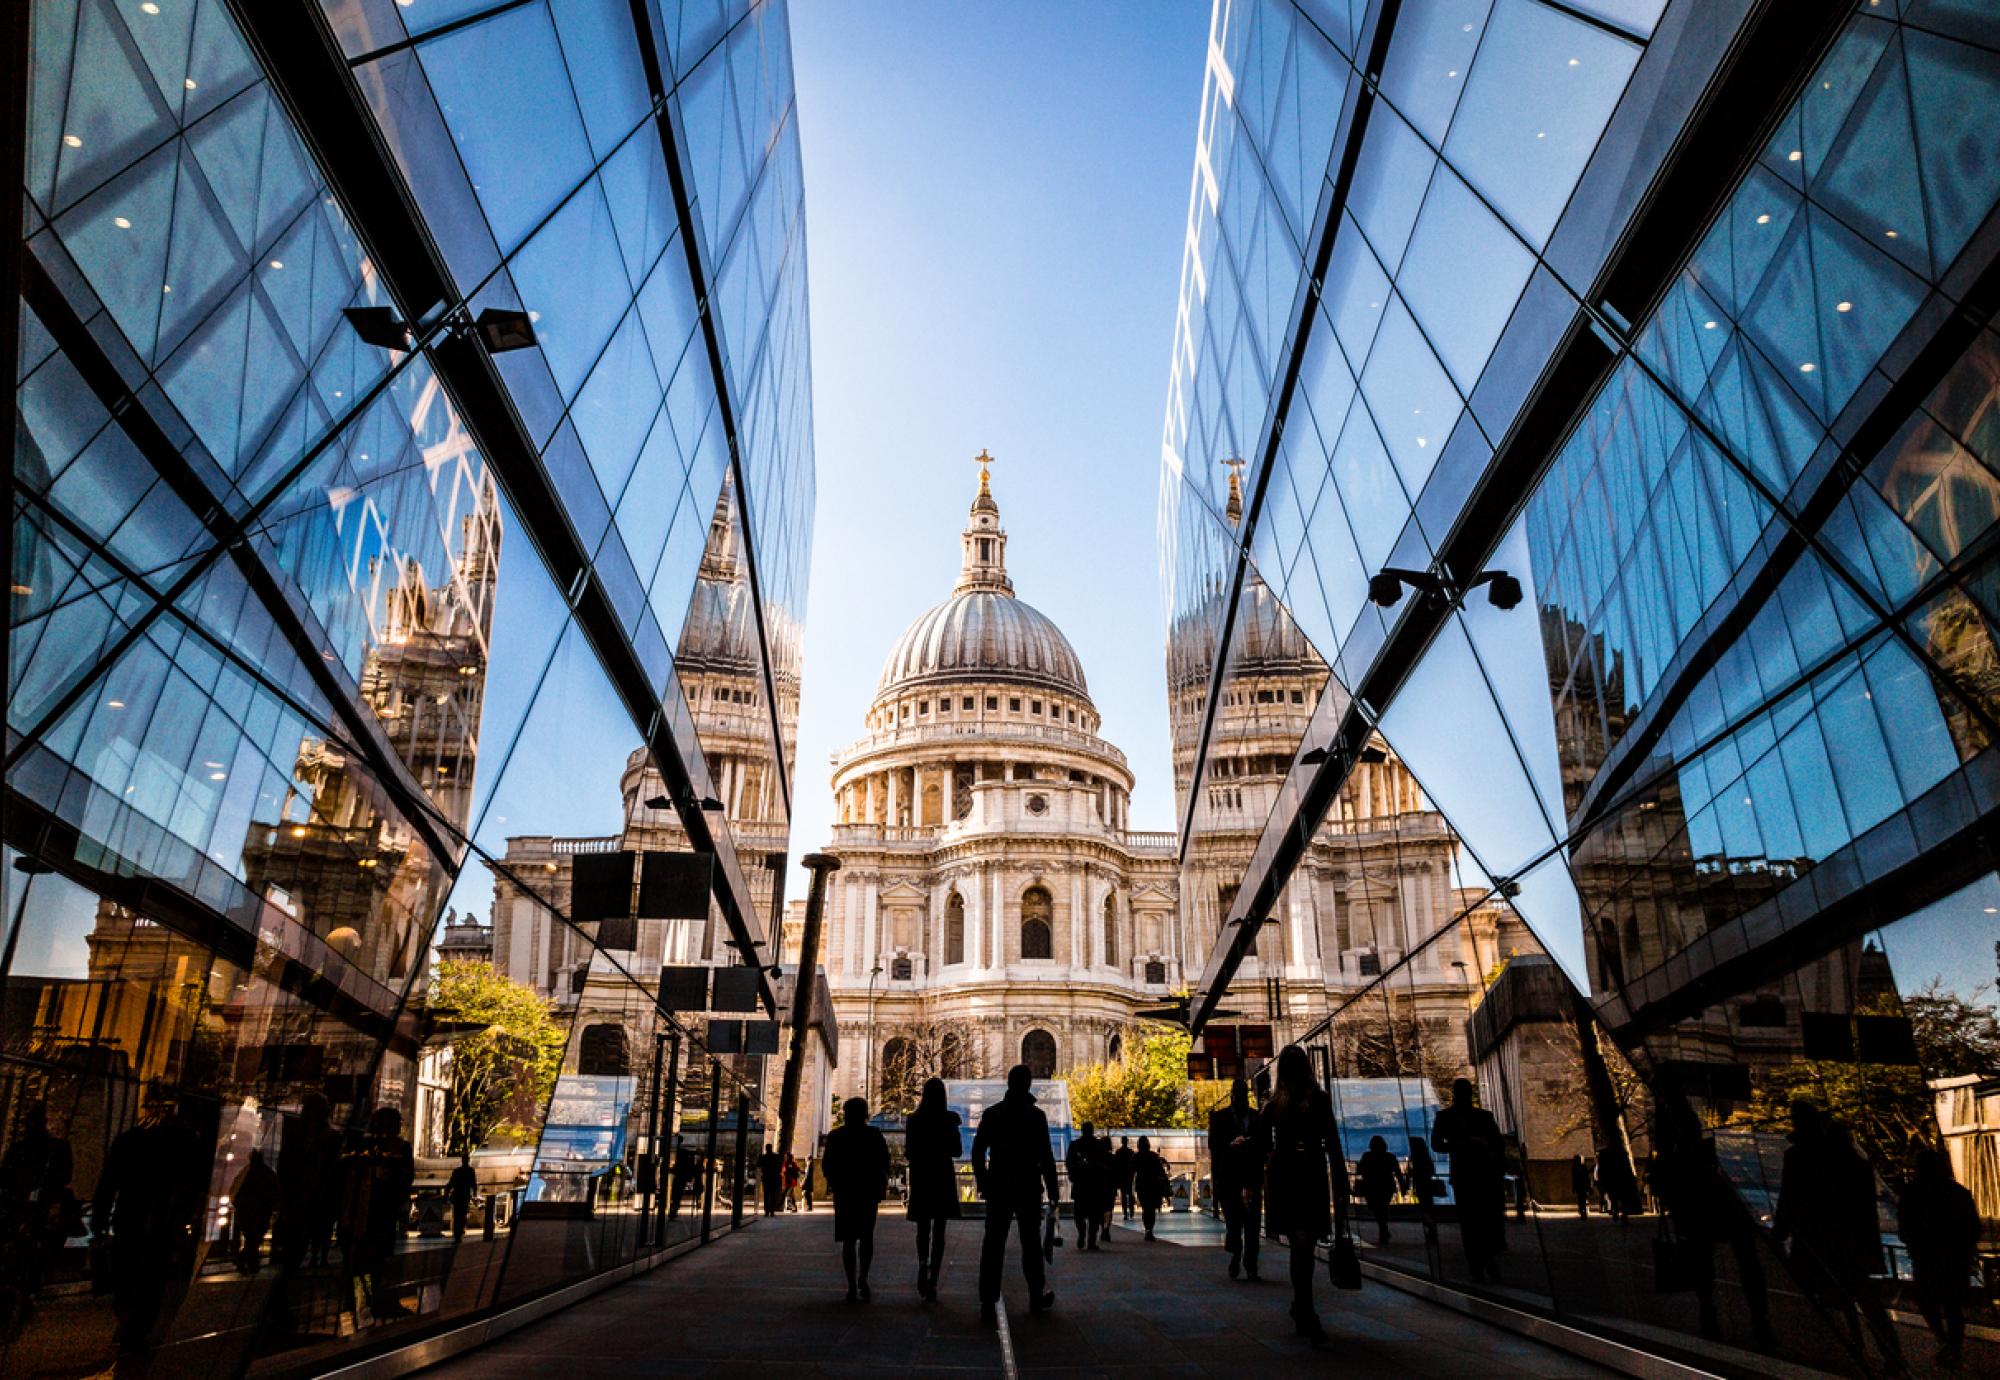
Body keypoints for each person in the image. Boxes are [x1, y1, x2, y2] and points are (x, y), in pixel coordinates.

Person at [92, 1092, 206, 1356]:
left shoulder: (130, 1140)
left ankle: (131, 1324)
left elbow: (108, 1182)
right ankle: (135, 1326)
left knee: (133, 1272)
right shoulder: (184, 1142)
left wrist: (100, 1217)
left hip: (137, 1216)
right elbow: (193, 1184)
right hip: (155, 1218)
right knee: (148, 1276)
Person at [1258, 1045, 1345, 1346]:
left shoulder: (1276, 1104)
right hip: (1310, 1176)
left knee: (1301, 1243)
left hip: (1287, 1177)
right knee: (1303, 1243)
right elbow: (1333, 1144)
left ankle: (1302, 1305)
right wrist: (1341, 1185)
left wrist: (1269, 1159)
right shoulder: (1317, 1100)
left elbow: (1260, 1143)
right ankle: (1306, 1309)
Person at [971, 1063, 1059, 1324]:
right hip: (1028, 1186)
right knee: (1031, 1243)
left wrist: (984, 1181)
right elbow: (1046, 1158)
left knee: (993, 1244)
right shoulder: (1036, 1116)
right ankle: (1035, 1295)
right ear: (1029, 1084)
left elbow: (977, 1152)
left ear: (1009, 1084)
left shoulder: (993, 1114)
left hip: (999, 1186)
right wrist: (1053, 1192)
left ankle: (988, 1300)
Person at [1898, 1147, 1977, 1367]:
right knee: (1953, 1306)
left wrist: (1915, 1242)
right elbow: (1972, 1227)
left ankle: (1944, 1341)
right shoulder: (1958, 1193)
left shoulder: (1912, 1194)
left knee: (1927, 1301)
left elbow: (1904, 1227)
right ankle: (1954, 1347)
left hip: (1925, 1257)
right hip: (1954, 1258)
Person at [0, 1102, 75, 1330]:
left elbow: (63, 1177)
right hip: (22, 1211)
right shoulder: (22, 1150)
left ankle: (28, 1284)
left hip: (37, 1211)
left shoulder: (52, 1149)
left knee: (35, 1250)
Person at [1430, 1078, 1505, 1283]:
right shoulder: (1451, 1117)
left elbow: (1498, 1143)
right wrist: (1463, 1145)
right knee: (1473, 1221)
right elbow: (1436, 1144)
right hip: (1469, 1174)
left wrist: (1476, 1145)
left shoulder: (1477, 1117)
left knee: (1477, 1221)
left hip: (1479, 1173)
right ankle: (1480, 1263)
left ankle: (1483, 1262)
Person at [821, 1097, 890, 1301]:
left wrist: (836, 1183)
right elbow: (884, 1162)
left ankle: (851, 1284)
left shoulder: (836, 1136)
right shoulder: (874, 1134)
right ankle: (863, 1277)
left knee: (848, 1241)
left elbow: (827, 1165)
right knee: (867, 1238)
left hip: (846, 1194)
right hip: (868, 1193)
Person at [904, 1078, 962, 1301]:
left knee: (923, 1227)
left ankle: (922, 1263)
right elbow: (956, 1151)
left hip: (922, 1176)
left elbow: (909, 1153)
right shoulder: (949, 1120)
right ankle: (934, 1279)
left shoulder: (914, 1120)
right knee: (940, 1230)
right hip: (942, 1177)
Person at [1207, 1077, 1264, 1278]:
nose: (1240, 1099)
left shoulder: (1257, 1118)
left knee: (1252, 1223)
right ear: (1232, 1095)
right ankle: (1236, 1253)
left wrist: (1251, 1144)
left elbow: (1265, 1145)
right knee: (1233, 1222)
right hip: (1229, 1178)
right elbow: (1213, 1144)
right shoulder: (1219, 1118)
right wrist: (1230, 1144)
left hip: (1251, 1178)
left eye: (1243, 1095)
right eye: (1237, 1094)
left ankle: (1251, 1264)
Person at [231, 1148, 279, 1274]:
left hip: (246, 1211)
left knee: (251, 1238)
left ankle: (249, 1263)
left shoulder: (244, 1173)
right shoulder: (267, 1174)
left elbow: (234, 1191)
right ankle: (247, 1261)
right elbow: (274, 1192)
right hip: (260, 1211)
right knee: (255, 1239)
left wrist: (238, 1205)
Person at [1065, 1121, 1109, 1251]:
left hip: (1080, 1184)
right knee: (1094, 1214)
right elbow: (1105, 1163)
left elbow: (1069, 1163)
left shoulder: (1075, 1145)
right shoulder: (1099, 1145)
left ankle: (1082, 1232)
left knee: (1079, 1213)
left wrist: (1074, 1175)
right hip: (1095, 1185)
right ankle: (1091, 1241)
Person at [1357, 1135, 1404, 1246]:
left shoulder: (1367, 1156)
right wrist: (1402, 1186)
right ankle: (1384, 1230)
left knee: (1376, 1209)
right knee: (1383, 1207)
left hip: (1371, 1186)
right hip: (1387, 1185)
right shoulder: (1390, 1157)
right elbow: (1398, 1172)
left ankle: (1383, 1230)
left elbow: (1360, 1170)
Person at [1133, 1135, 1171, 1241]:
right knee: (1152, 1208)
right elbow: (1160, 1171)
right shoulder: (1153, 1156)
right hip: (1153, 1185)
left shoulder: (1136, 1157)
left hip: (1141, 1184)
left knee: (1146, 1208)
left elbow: (1132, 1170)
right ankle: (1150, 1229)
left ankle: (1147, 1229)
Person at [446, 1154, 478, 1239]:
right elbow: (473, 1183)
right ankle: (460, 1229)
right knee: (463, 1213)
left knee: (456, 1214)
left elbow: (451, 1183)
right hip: (465, 1195)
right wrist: (474, 1194)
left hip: (457, 1195)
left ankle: (457, 1230)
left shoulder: (457, 1171)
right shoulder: (470, 1171)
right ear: (468, 1160)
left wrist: (446, 1193)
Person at [1113, 1135, 1137, 1222]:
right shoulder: (1131, 1152)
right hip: (1129, 1176)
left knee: (1123, 1194)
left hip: (1122, 1176)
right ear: (1127, 1141)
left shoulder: (1118, 1152)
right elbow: (1133, 1165)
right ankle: (1131, 1211)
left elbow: (1116, 1165)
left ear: (1121, 1141)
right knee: (1130, 1193)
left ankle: (1125, 1213)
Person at [758, 1145, 784, 1217]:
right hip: (773, 1179)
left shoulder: (763, 1157)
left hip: (766, 1179)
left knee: (766, 1195)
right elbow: (780, 1167)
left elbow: (758, 1165)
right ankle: (772, 1211)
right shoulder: (776, 1157)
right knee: (773, 1195)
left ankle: (766, 1211)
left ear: (766, 1149)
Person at [1570, 1154, 1593, 1218]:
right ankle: (1584, 1211)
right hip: (1583, 1186)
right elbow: (1586, 1178)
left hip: (1579, 1186)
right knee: (1583, 1199)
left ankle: (1582, 1211)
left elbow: (1574, 1179)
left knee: (1581, 1199)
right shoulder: (1583, 1167)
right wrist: (1589, 1186)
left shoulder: (1574, 1168)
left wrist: (1573, 1187)